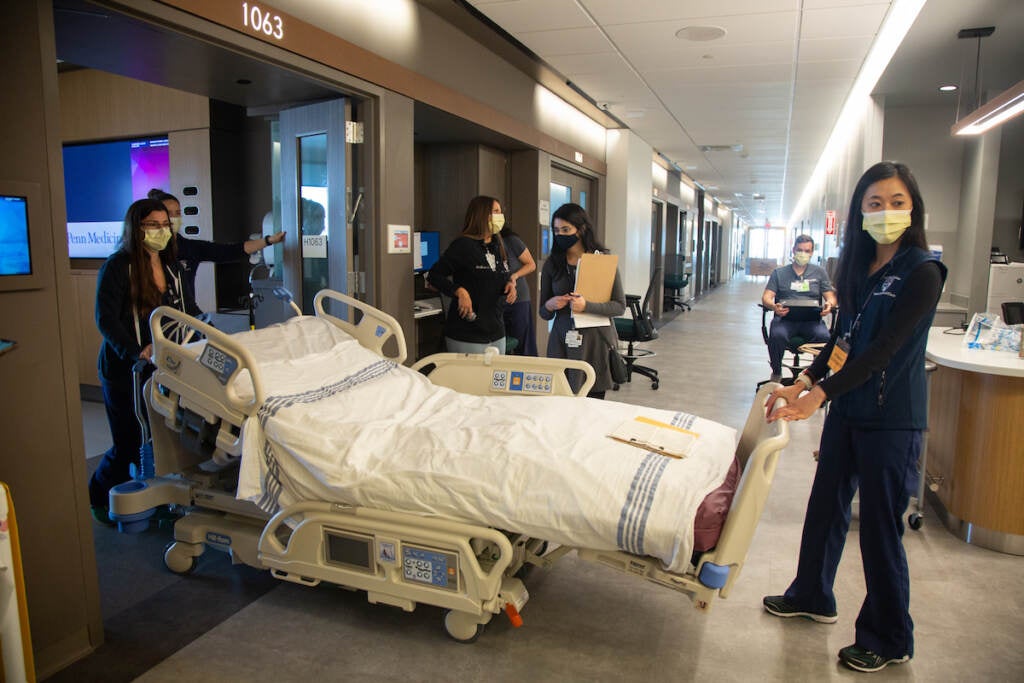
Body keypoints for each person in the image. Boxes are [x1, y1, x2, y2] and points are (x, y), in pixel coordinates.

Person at [762, 161, 947, 674]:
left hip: (892, 418)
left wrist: (819, 395)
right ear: (858, 212)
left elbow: (882, 351)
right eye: (874, 203)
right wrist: (802, 381)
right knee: (825, 507)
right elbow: (842, 341)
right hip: (849, 409)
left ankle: (890, 637)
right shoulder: (856, 269)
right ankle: (812, 594)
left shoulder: (922, 272)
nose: (885, 212)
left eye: (896, 202)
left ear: (913, 210)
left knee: (879, 531)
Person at [89, 198, 202, 523]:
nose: (161, 231)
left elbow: (187, 310)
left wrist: (208, 333)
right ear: (136, 228)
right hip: (126, 367)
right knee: (129, 441)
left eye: (165, 224)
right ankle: (98, 495)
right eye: (152, 225)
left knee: (162, 435)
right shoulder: (117, 267)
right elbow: (105, 319)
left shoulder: (171, 266)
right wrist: (135, 350)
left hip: (165, 366)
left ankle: (158, 497)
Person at [539, 203, 626, 398]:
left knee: (593, 401)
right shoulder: (552, 264)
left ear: (582, 229)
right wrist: (550, 305)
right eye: (556, 230)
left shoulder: (602, 261)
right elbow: (543, 312)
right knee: (561, 397)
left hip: (595, 341)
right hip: (562, 340)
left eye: (566, 229)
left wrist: (587, 306)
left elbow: (619, 306)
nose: (560, 234)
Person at [147, 189, 286, 310]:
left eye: (177, 213)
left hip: (184, 319)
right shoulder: (144, 255)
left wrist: (268, 241)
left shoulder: (188, 248)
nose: (174, 219)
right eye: (169, 214)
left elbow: (228, 251)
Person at [427, 196, 516, 354]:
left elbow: (502, 275)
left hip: (496, 330)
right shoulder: (463, 246)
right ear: (482, 215)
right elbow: (434, 276)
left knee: (494, 378)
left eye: (500, 212)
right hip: (468, 332)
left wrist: (510, 285)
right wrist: (460, 291)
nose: (500, 216)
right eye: (495, 211)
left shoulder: (499, 245)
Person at [761, 235, 837, 383]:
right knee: (777, 335)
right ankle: (776, 373)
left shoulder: (819, 272)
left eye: (807, 251)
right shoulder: (779, 273)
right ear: (793, 250)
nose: (803, 254)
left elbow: (831, 296)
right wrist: (773, 306)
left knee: (825, 338)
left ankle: (815, 375)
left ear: (812, 252)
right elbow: (766, 297)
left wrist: (830, 304)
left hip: (811, 321)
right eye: (800, 250)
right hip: (785, 319)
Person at [499, 223, 537, 355]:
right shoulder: (480, 244)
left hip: (518, 299)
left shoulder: (511, 240)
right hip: (495, 302)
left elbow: (531, 264)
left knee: (522, 344)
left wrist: (514, 276)